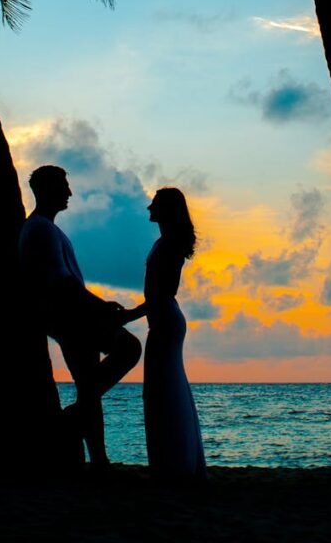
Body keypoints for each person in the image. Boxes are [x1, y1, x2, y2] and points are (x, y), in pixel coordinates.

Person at [19, 164, 141, 468]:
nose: (70, 192)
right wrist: (100, 307)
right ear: (47, 190)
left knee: (89, 384)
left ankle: (97, 457)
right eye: (64, 185)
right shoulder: (41, 229)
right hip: (73, 320)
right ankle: (66, 426)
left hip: (71, 318)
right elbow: (62, 282)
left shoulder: (45, 228)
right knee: (128, 349)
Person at [122, 187, 206, 480]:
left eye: (155, 203)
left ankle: (173, 465)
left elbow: (163, 292)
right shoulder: (166, 242)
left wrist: (130, 315)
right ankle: (175, 462)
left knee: (162, 390)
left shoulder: (169, 243)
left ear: (167, 209)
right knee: (165, 389)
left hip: (165, 320)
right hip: (163, 319)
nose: (149, 207)